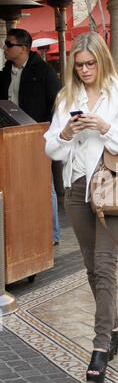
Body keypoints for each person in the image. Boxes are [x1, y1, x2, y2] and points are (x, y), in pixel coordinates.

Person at [44, 31, 118, 383]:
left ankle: (100, 345)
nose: (85, 70)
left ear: (102, 60)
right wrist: (68, 133)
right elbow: (51, 150)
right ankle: (114, 323)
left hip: (115, 186)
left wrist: (104, 126)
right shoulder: (66, 97)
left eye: (91, 63)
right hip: (76, 188)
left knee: (105, 264)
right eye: (80, 65)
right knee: (91, 267)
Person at [0, 28, 61, 245]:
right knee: (16, 185)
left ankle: (52, 234)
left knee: (45, 185)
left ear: (24, 48)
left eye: (9, 44)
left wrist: (49, 132)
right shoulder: (5, 72)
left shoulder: (44, 71)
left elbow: (57, 104)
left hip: (38, 136)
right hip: (9, 138)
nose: (4, 48)